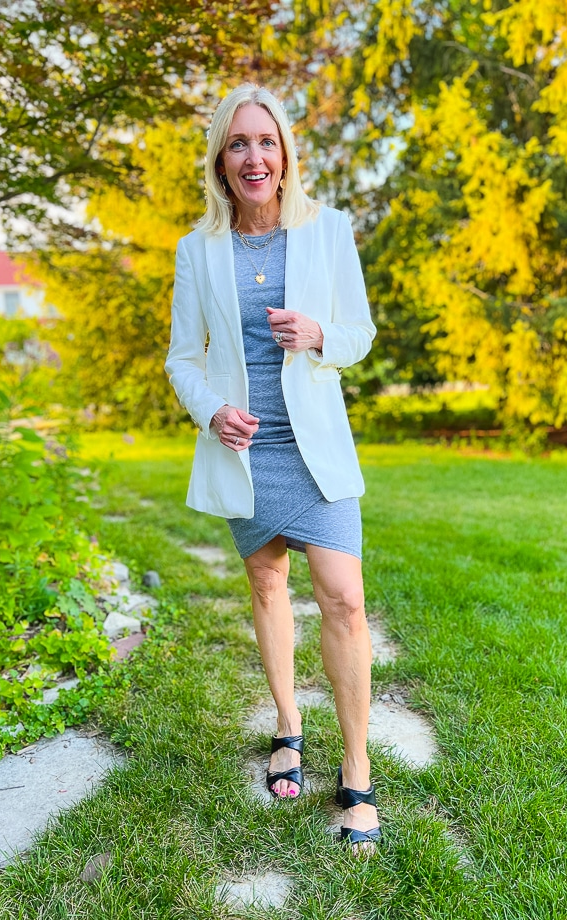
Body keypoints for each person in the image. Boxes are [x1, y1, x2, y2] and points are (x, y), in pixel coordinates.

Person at [165, 83, 380, 851]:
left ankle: (357, 769)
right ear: (221, 162)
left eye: (266, 142)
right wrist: (210, 410)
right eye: (237, 144)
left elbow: (359, 334)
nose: (253, 157)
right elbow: (183, 357)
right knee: (267, 584)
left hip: (315, 448)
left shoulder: (328, 232)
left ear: (285, 153)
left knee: (345, 600)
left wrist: (320, 331)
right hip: (247, 451)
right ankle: (289, 724)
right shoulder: (199, 251)